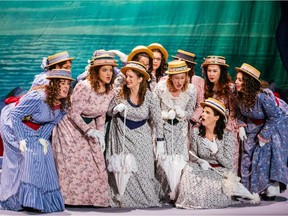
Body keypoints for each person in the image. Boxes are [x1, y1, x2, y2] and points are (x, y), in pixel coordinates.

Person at [0, 69, 74, 213]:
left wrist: (41, 138)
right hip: (13, 124)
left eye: (67, 84)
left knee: (45, 157)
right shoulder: (38, 98)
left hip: (36, 130)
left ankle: (41, 201)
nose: (66, 87)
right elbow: (15, 115)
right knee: (27, 157)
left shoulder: (63, 105)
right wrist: (21, 139)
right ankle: (13, 200)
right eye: (62, 83)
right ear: (53, 85)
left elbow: (52, 123)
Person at [51, 54, 118, 206]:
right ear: (96, 72)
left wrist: (100, 133)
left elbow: (101, 113)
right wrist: (89, 131)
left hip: (91, 126)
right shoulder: (85, 86)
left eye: (110, 70)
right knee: (75, 162)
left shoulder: (110, 90)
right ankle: (72, 199)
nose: (109, 74)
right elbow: (73, 112)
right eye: (105, 70)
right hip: (71, 126)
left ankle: (95, 199)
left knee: (96, 161)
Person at [106, 61, 164, 208]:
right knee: (125, 168)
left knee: (143, 170)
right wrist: (115, 109)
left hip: (141, 136)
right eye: (127, 76)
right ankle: (123, 196)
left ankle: (143, 197)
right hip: (122, 135)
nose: (128, 79)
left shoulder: (150, 97)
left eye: (131, 77)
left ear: (140, 79)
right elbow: (108, 111)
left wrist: (161, 141)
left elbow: (157, 120)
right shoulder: (120, 93)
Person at [235, 63, 288, 200]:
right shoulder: (239, 94)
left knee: (263, 157)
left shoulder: (262, 96)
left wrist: (264, 135)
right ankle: (248, 188)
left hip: (273, 125)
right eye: (237, 79)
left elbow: (275, 116)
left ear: (248, 83)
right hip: (252, 126)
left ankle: (267, 188)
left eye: (240, 80)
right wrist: (241, 125)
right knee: (247, 155)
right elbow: (240, 112)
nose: (236, 82)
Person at [175, 98, 237, 209]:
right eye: (203, 111)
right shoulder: (196, 131)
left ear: (216, 118)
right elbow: (193, 155)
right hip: (202, 168)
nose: (202, 114)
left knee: (210, 185)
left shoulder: (227, 135)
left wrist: (216, 152)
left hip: (219, 171)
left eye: (207, 112)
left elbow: (229, 164)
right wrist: (200, 161)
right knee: (188, 171)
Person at [154, 60, 196, 201]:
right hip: (163, 129)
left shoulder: (190, 90)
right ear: (170, 77)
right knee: (163, 160)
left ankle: (177, 193)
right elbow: (154, 111)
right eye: (176, 78)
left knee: (179, 160)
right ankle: (163, 194)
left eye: (182, 77)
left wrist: (183, 114)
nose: (179, 81)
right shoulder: (160, 88)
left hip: (180, 131)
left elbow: (191, 111)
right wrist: (164, 115)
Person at [202, 56, 239, 174]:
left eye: (214, 71)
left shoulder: (230, 88)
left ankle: (230, 183)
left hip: (226, 127)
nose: (211, 74)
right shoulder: (207, 86)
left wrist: (225, 129)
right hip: (212, 126)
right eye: (209, 71)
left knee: (228, 158)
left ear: (221, 72)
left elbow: (233, 111)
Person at [172, 49, 205, 125]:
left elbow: (200, 105)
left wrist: (191, 119)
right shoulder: (165, 79)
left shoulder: (198, 81)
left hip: (190, 122)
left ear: (189, 66)